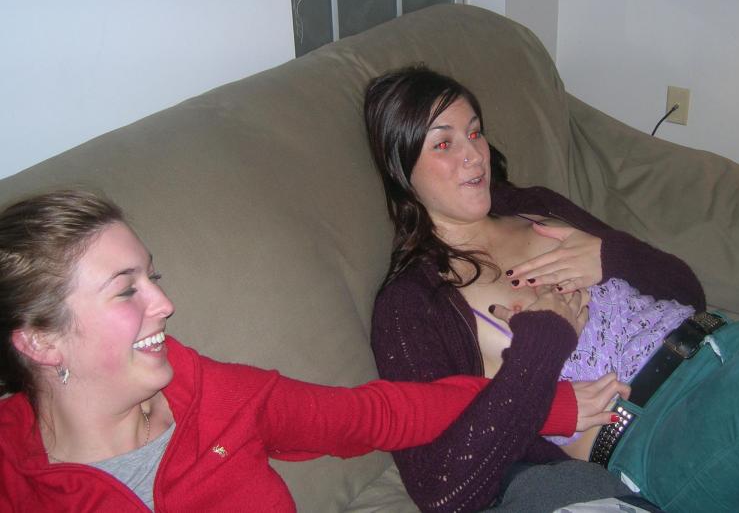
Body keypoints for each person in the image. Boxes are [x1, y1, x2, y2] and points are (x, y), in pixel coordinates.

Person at [364, 65, 739, 513]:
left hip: (726, 345)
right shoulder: (413, 303)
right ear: (401, 167)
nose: (475, 155)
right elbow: (443, 488)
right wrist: (544, 340)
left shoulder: (532, 205)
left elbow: (687, 292)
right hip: (658, 435)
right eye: (444, 143)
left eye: (475, 132)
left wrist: (608, 255)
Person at [0, 190, 613, 512]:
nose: (164, 303)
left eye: (152, 277)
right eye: (125, 289)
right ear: (41, 341)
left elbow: (377, 414)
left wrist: (543, 403)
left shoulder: (213, 394)